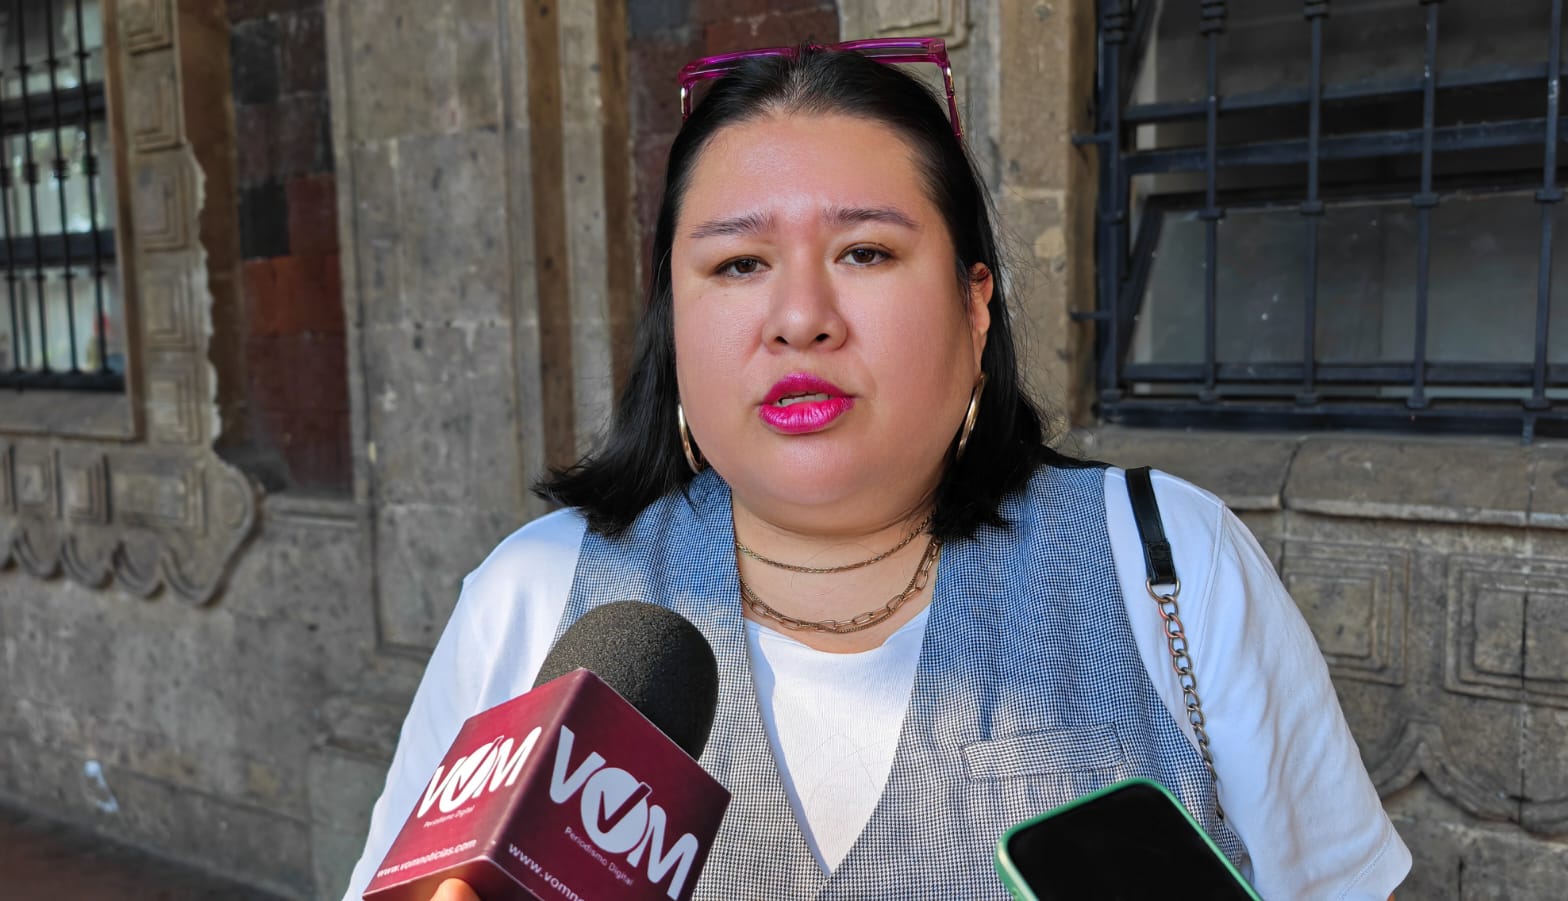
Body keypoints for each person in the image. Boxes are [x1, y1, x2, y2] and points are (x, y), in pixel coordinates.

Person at [342, 42, 1411, 900]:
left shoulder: (1169, 563)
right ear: (673, 322)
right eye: (738, 264)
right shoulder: (536, 596)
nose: (800, 317)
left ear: (975, 304)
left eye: (865, 252)